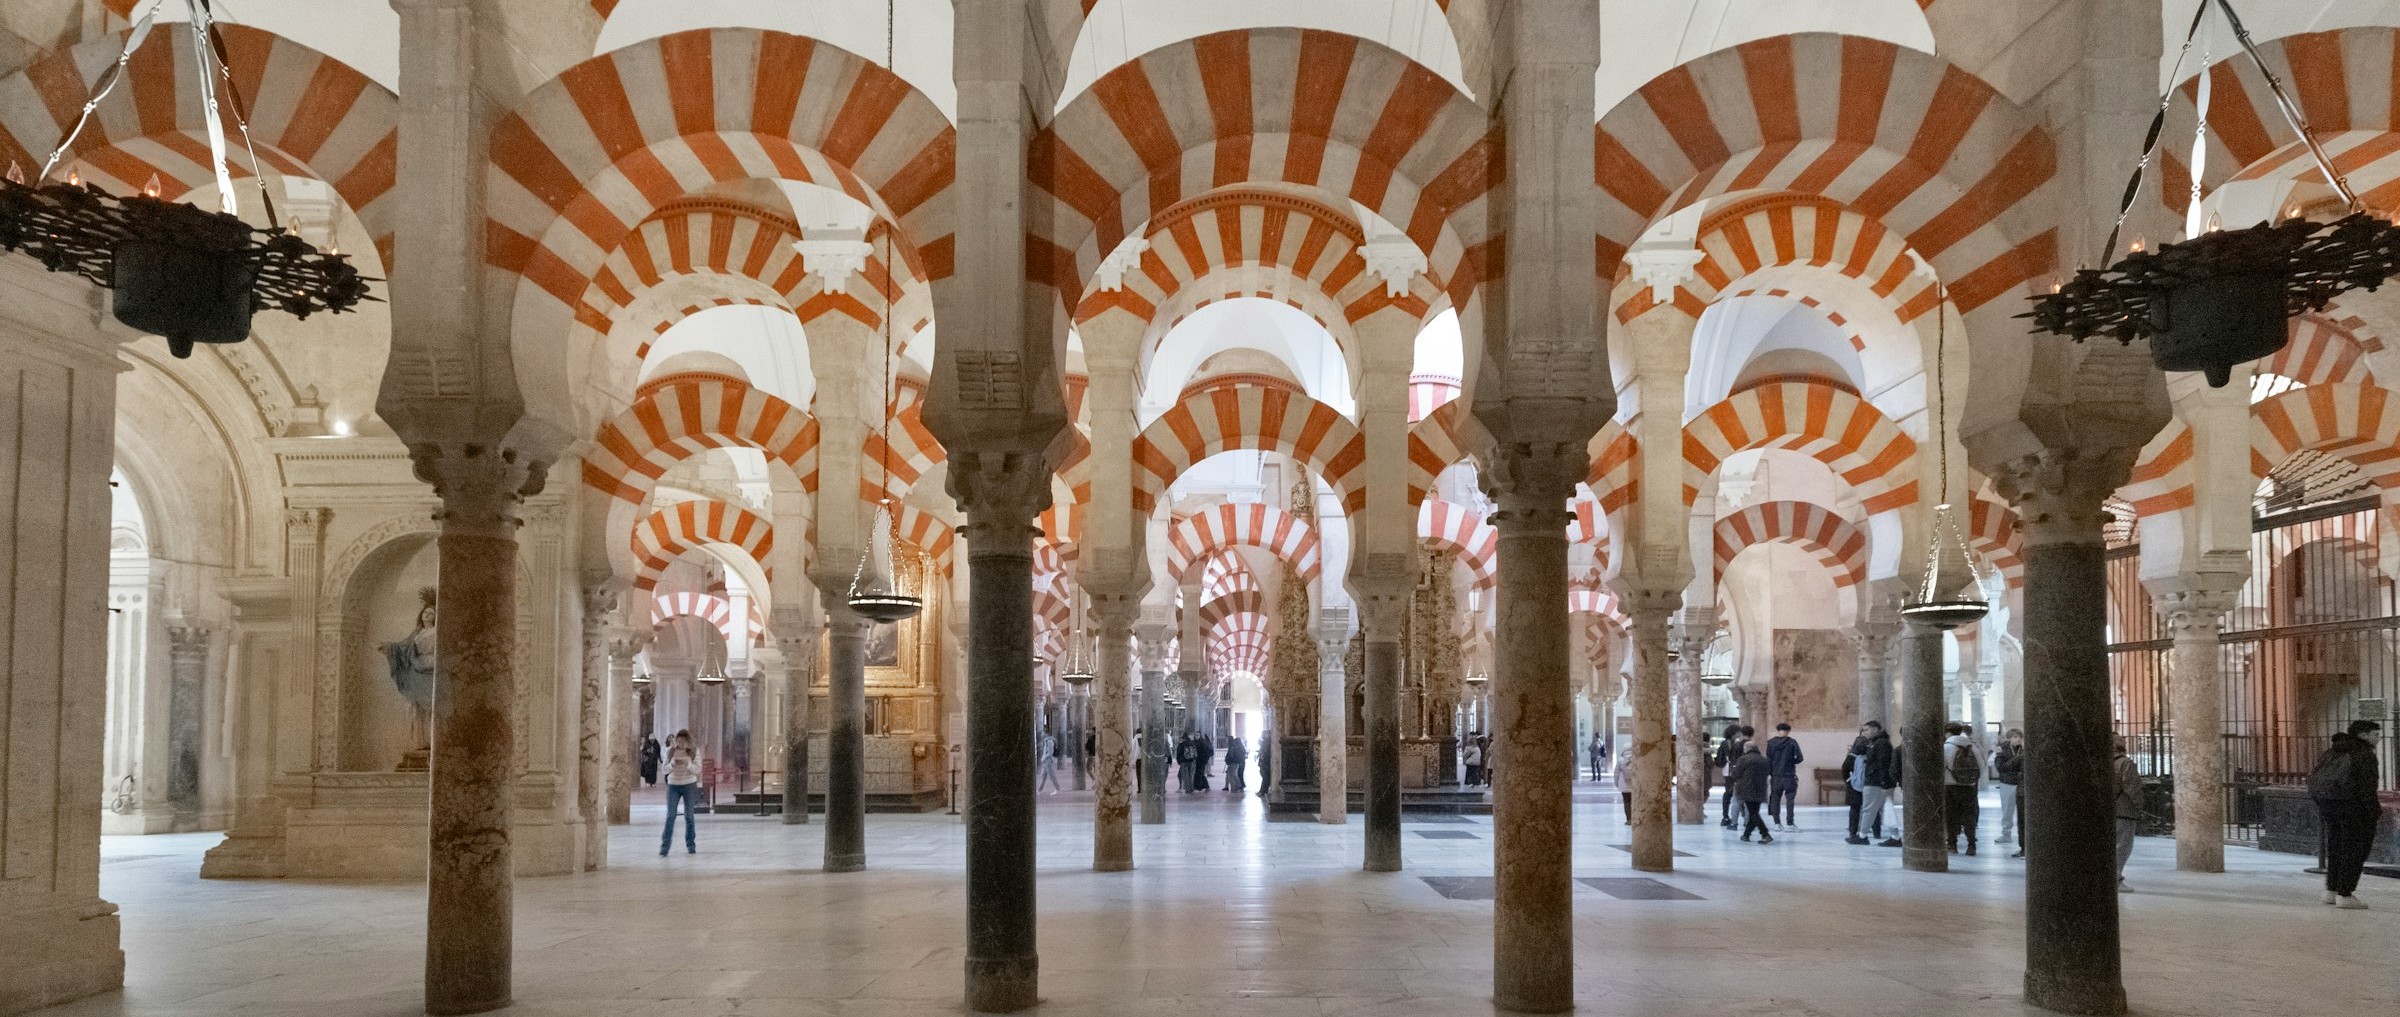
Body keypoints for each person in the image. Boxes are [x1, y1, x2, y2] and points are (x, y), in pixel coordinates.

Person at [2308, 720, 2384, 909]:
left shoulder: (2333, 751)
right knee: (2355, 852)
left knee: (2336, 849)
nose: (2379, 739)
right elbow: (2368, 789)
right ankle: (2346, 894)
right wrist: (2374, 812)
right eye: (2375, 735)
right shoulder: (2364, 754)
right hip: (2355, 810)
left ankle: (2331, 891)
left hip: (2330, 808)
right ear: (2363, 735)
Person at [1857, 721, 1900, 847]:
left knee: (1869, 809)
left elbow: (1883, 763)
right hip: (1878, 781)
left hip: (1877, 782)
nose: (1865, 733)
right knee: (1886, 809)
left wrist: (1883, 782)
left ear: (1876, 729)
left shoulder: (1881, 743)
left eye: (1867, 730)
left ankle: (1863, 836)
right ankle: (1894, 836)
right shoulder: (1875, 743)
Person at [1944, 722, 1982, 855]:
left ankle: (1952, 845)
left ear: (1947, 733)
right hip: (1969, 787)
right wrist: (1972, 781)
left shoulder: (1946, 747)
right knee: (1969, 816)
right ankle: (1971, 845)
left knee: (1951, 817)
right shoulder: (1972, 747)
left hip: (1950, 787)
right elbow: (1981, 767)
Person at [660, 730, 699, 856]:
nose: (680, 744)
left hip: (689, 785)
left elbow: (698, 770)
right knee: (671, 815)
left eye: (683, 741)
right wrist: (672, 764)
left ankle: (690, 845)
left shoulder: (694, 751)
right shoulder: (670, 751)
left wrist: (688, 764)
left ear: (688, 742)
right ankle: (665, 846)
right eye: (678, 741)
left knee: (689, 816)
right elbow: (664, 770)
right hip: (673, 786)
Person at [1731, 737, 1774, 843]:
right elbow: (1769, 772)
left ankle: (1765, 834)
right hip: (1760, 789)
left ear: (1746, 749)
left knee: (1753, 813)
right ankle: (1746, 835)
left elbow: (1735, 774)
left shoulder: (1743, 759)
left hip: (1747, 789)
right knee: (1754, 812)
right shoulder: (1765, 760)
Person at [2113, 736, 2142, 891]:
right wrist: (2139, 805)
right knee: (2122, 846)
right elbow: (2132, 788)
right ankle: (2116, 879)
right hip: (2124, 810)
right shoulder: (2125, 763)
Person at [1764, 723, 1804, 829]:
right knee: (1790, 800)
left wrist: (1771, 772)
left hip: (1775, 776)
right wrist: (1791, 762)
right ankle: (1790, 823)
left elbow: (1768, 759)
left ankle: (1777, 823)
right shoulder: (1792, 742)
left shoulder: (1771, 743)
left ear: (1777, 731)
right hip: (1789, 775)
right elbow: (1800, 758)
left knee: (1775, 799)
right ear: (1788, 731)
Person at [1993, 728, 2025, 857]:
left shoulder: (2023, 749)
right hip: (2007, 783)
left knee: (2022, 812)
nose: (2017, 739)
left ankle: (2023, 838)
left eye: (2019, 736)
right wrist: (2015, 771)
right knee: (2007, 810)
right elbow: (2000, 767)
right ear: (2009, 737)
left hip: (2020, 784)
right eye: (2014, 736)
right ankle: (2006, 833)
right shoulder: (2003, 749)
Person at [1714, 723, 1745, 829]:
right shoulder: (1737, 744)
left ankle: (1726, 817)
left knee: (1728, 793)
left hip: (1727, 771)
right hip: (1735, 771)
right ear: (1734, 733)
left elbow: (1719, 759)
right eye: (1738, 732)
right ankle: (1742, 816)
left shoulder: (1724, 743)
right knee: (1737, 794)